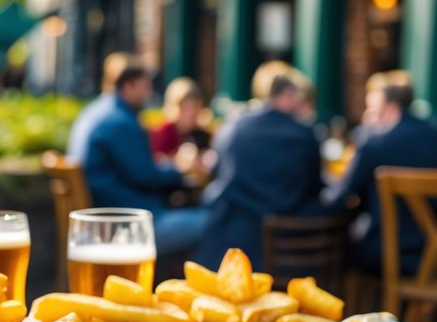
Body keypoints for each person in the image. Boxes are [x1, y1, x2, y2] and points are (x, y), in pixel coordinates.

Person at [326, 71, 437, 274]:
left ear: (391, 109)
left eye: (373, 111)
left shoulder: (374, 146)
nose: (367, 118)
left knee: (345, 243)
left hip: (384, 253)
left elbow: (340, 198)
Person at [67, 53, 209, 257]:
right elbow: (147, 176)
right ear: (129, 85)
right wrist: (181, 167)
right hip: (124, 228)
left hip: (104, 219)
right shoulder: (119, 122)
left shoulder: (94, 112)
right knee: (214, 222)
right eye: (145, 85)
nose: (149, 91)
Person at [192, 62, 325, 266]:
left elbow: (216, 170)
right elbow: (315, 186)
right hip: (286, 249)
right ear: (287, 96)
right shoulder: (303, 133)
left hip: (227, 241)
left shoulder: (234, 126)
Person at [150, 77, 211, 166]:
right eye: (185, 109)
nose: (191, 113)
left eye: (195, 108)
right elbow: (155, 164)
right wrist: (178, 161)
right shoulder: (163, 133)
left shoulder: (202, 134)